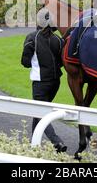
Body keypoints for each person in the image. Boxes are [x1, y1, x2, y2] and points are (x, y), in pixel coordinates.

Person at [21, 9, 67, 153]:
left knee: (42, 113)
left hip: (40, 83)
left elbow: (25, 62)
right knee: (39, 111)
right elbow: (61, 62)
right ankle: (33, 144)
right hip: (55, 83)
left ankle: (56, 141)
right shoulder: (59, 40)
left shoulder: (32, 37)